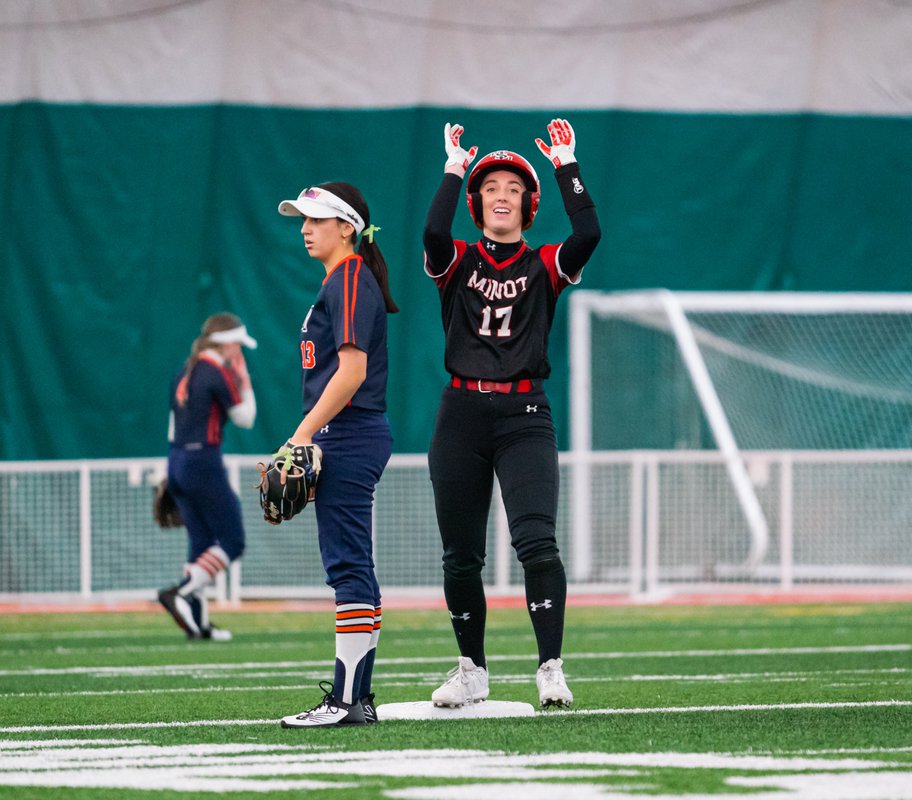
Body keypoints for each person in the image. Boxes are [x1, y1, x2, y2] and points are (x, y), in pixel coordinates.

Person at [422, 119, 600, 709]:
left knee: (537, 543)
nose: (502, 195)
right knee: (461, 553)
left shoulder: (545, 262)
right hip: (461, 415)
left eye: (513, 189)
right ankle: (471, 667)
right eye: (491, 186)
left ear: (528, 204)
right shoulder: (457, 261)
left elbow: (589, 231)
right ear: (477, 203)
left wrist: (566, 166)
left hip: (525, 412)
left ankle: (550, 665)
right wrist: (453, 168)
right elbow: (430, 230)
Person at [275, 182, 397, 728]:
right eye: (301, 219)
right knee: (356, 565)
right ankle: (358, 698)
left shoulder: (349, 278)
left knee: (347, 565)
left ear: (346, 227)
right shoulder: (344, 280)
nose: (305, 228)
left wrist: (301, 436)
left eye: (316, 219)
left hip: (347, 432)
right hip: (353, 431)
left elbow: (352, 371)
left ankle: (347, 701)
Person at [158, 312, 258, 641]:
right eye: (238, 347)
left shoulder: (183, 372)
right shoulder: (217, 371)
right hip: (204, 461)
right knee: (232, 541)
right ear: (228, 344)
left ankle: (198, 624)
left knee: (200, 542)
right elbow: (245, 418)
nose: (239, 353)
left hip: (176, 461)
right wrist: (244, 377)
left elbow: (174, 427)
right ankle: (182, 592)